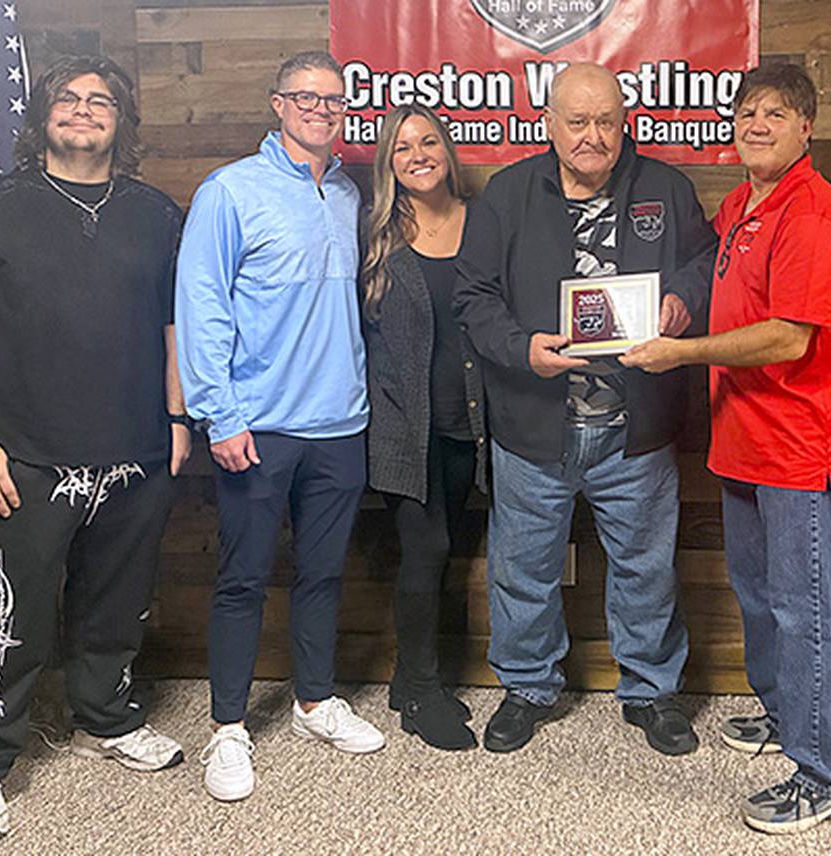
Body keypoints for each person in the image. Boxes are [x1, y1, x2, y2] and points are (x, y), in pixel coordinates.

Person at [0, 55, 188, 845]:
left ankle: (106, 717)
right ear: (42, 117)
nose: (83, 110)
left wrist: (177, 421)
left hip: (136, 453)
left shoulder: (155, 213)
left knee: (115, 606)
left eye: (101, 101)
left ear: (121, 122)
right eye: (68, 99)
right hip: (26, 460)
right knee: (13, 617)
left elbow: (178, 325)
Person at [621, 63, 831, 834]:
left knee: (806, 610)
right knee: (761, 599)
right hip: (743, 443)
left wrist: (679, 352)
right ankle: (791, 717)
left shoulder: (814, 215)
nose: (756, 124)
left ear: (806, 127)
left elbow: (789, 337)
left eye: (776, 113)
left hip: (800, 445)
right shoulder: (741, 203)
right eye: (747, 112)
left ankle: (829, 772)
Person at [454, 62, 716, 756]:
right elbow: (473, 298)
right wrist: (520, 348)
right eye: (578, 121)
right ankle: (528, 687)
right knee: (523, 567)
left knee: (645, 568)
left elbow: (706, 262)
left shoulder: (665, 187)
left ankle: (652, 692)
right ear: (548, 123)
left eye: (605, 120)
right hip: (534, 425)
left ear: (624, 120)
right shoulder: (507, 196)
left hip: (637, 429)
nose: (593, 136)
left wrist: (684, 301)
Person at [177, 50, 383, 803]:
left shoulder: (349, 196)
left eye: (333, 99)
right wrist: (218, 416)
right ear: (278, 104)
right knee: (242, 579)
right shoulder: (230, 191)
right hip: (257, 427)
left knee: (323, 573)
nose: (320, 109)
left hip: (340, 425)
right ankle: (228, 728)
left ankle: (314, 702)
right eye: (306, 97)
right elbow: (201, 305)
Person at [361, 104, 482, 751]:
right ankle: (424, 694)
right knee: (427, 549)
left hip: (469, 423)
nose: (417, 155)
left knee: (449, 549)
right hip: (402, 426)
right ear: (389, 162)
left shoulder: (481, 222)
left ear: (447, 149)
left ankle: (409, 679)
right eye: (402, 147)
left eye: (428, 141)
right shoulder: (375, 231)